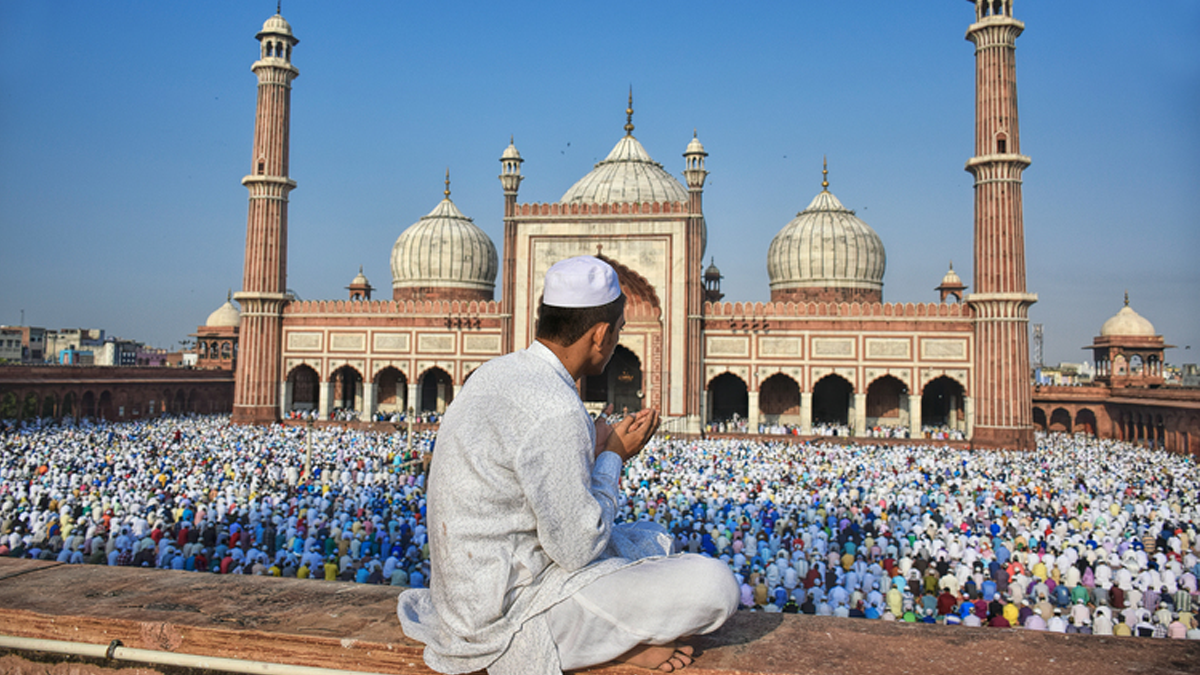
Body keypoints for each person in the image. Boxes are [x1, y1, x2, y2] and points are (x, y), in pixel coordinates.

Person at [397, 256, 739, 675]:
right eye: (618, 333)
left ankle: (610, 639)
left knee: (652, 536)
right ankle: (601, 646)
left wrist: (588, 451)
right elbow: (578, 551)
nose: (616, 344)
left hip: (467, 598)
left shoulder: (493, 374)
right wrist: (613, 455)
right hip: (512, 615)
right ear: (600, 335)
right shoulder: (557, 408)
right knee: (715, 585)